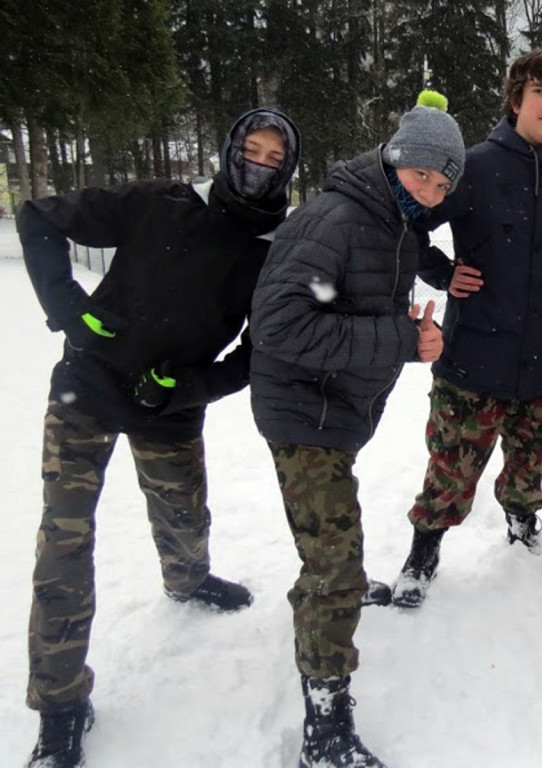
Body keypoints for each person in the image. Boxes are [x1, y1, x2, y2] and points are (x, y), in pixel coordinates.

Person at [17, 107, 300, 768]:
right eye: (249, 149)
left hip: (169, 406)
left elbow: (257, 356)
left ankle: (188, 578)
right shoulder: (159, 202)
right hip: (84, 389)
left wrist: (188, 388)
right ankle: (59, 703)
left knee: (183, 515)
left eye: (272, 157)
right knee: (64, 540)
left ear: (286, 171)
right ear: (230, 149)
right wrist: (69, 310)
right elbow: (39, 216)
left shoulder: (275, 252)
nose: (257, 164)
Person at [248, 90, 462, 768]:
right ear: (394, 158)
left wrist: (415, 328)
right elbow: (280, 326)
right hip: (300, 410)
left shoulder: (396, 219)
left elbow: (371, 298)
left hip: (334, 408)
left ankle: (323, 585)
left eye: (442, 180)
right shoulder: (337, 217)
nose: (429, 189)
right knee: (336, 566)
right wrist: (398, 339)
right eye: (422, 172)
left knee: (331, 546)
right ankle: (326, 728)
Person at [391, 47, 542, 608]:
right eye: (540, 91)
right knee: (450, 465)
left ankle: (521, 522)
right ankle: (424, 551)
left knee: (529, 462)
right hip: (474, 359)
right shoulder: (475, 167)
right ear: (517, 98)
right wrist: (444, 273)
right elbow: (408, 223)